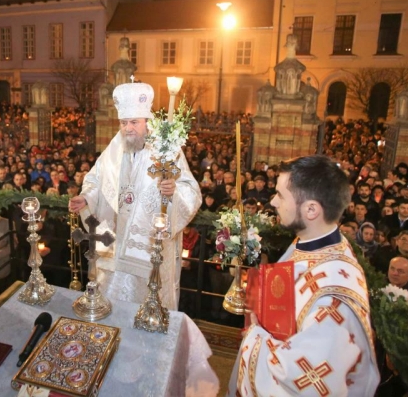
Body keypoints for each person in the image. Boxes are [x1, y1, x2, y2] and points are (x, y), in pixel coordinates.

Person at [228, 155, 379, 396]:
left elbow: (306, 380)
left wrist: (256, 334)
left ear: (311, 209)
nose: (273, 202)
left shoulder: (334, 297)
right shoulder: (309, 242)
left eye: (281, 195)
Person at [68, 80, 201, 310]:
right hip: (113, 248)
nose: (128, 128)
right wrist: (87, 198)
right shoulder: (115, 147)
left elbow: (191, 191)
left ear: (146, 121)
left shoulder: (167, 148)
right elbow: (96, 179)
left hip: (149, 252)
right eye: (123, 122)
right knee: (108, 306)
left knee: (144, 308)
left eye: (134, 122)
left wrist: (174, 191)